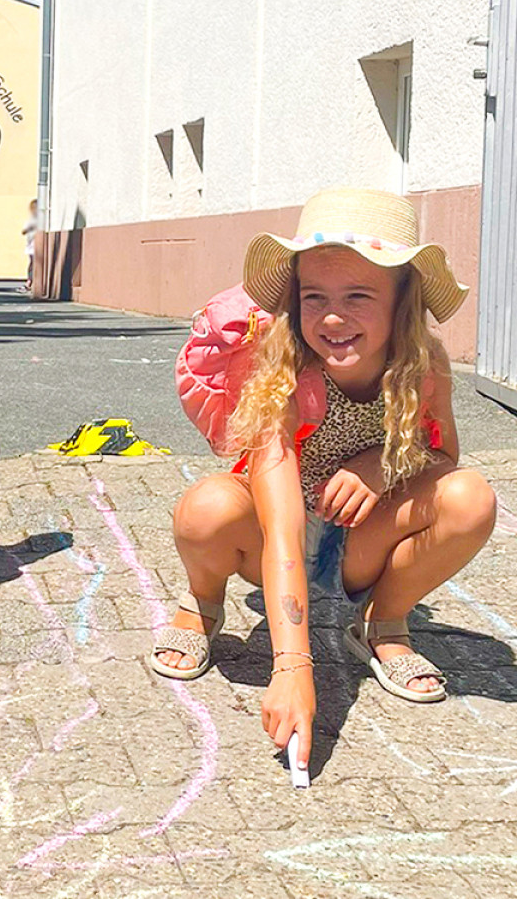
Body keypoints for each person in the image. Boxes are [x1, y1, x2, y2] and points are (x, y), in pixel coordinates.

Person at [149, 188, 496, 772]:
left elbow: (445, 462)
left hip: (358, 541)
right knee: (204, 508)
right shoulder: (278, 366)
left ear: (402, 301)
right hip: (271, 540)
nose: (332, 316)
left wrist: (382, 463)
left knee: (471, 499)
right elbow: (282, 523)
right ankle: (202, 605)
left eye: (359, 295)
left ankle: (383, 623)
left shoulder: (423, 366)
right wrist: (292, 667)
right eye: (315, 297)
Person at [23, 199, 38, 291]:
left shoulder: (44, 219)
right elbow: (23, 231)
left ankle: (34, 281)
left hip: (39, 243)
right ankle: (30, 280)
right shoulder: (30, 220)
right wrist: (30, 228)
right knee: (32, 262)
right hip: (31, 243)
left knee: (37, 263)